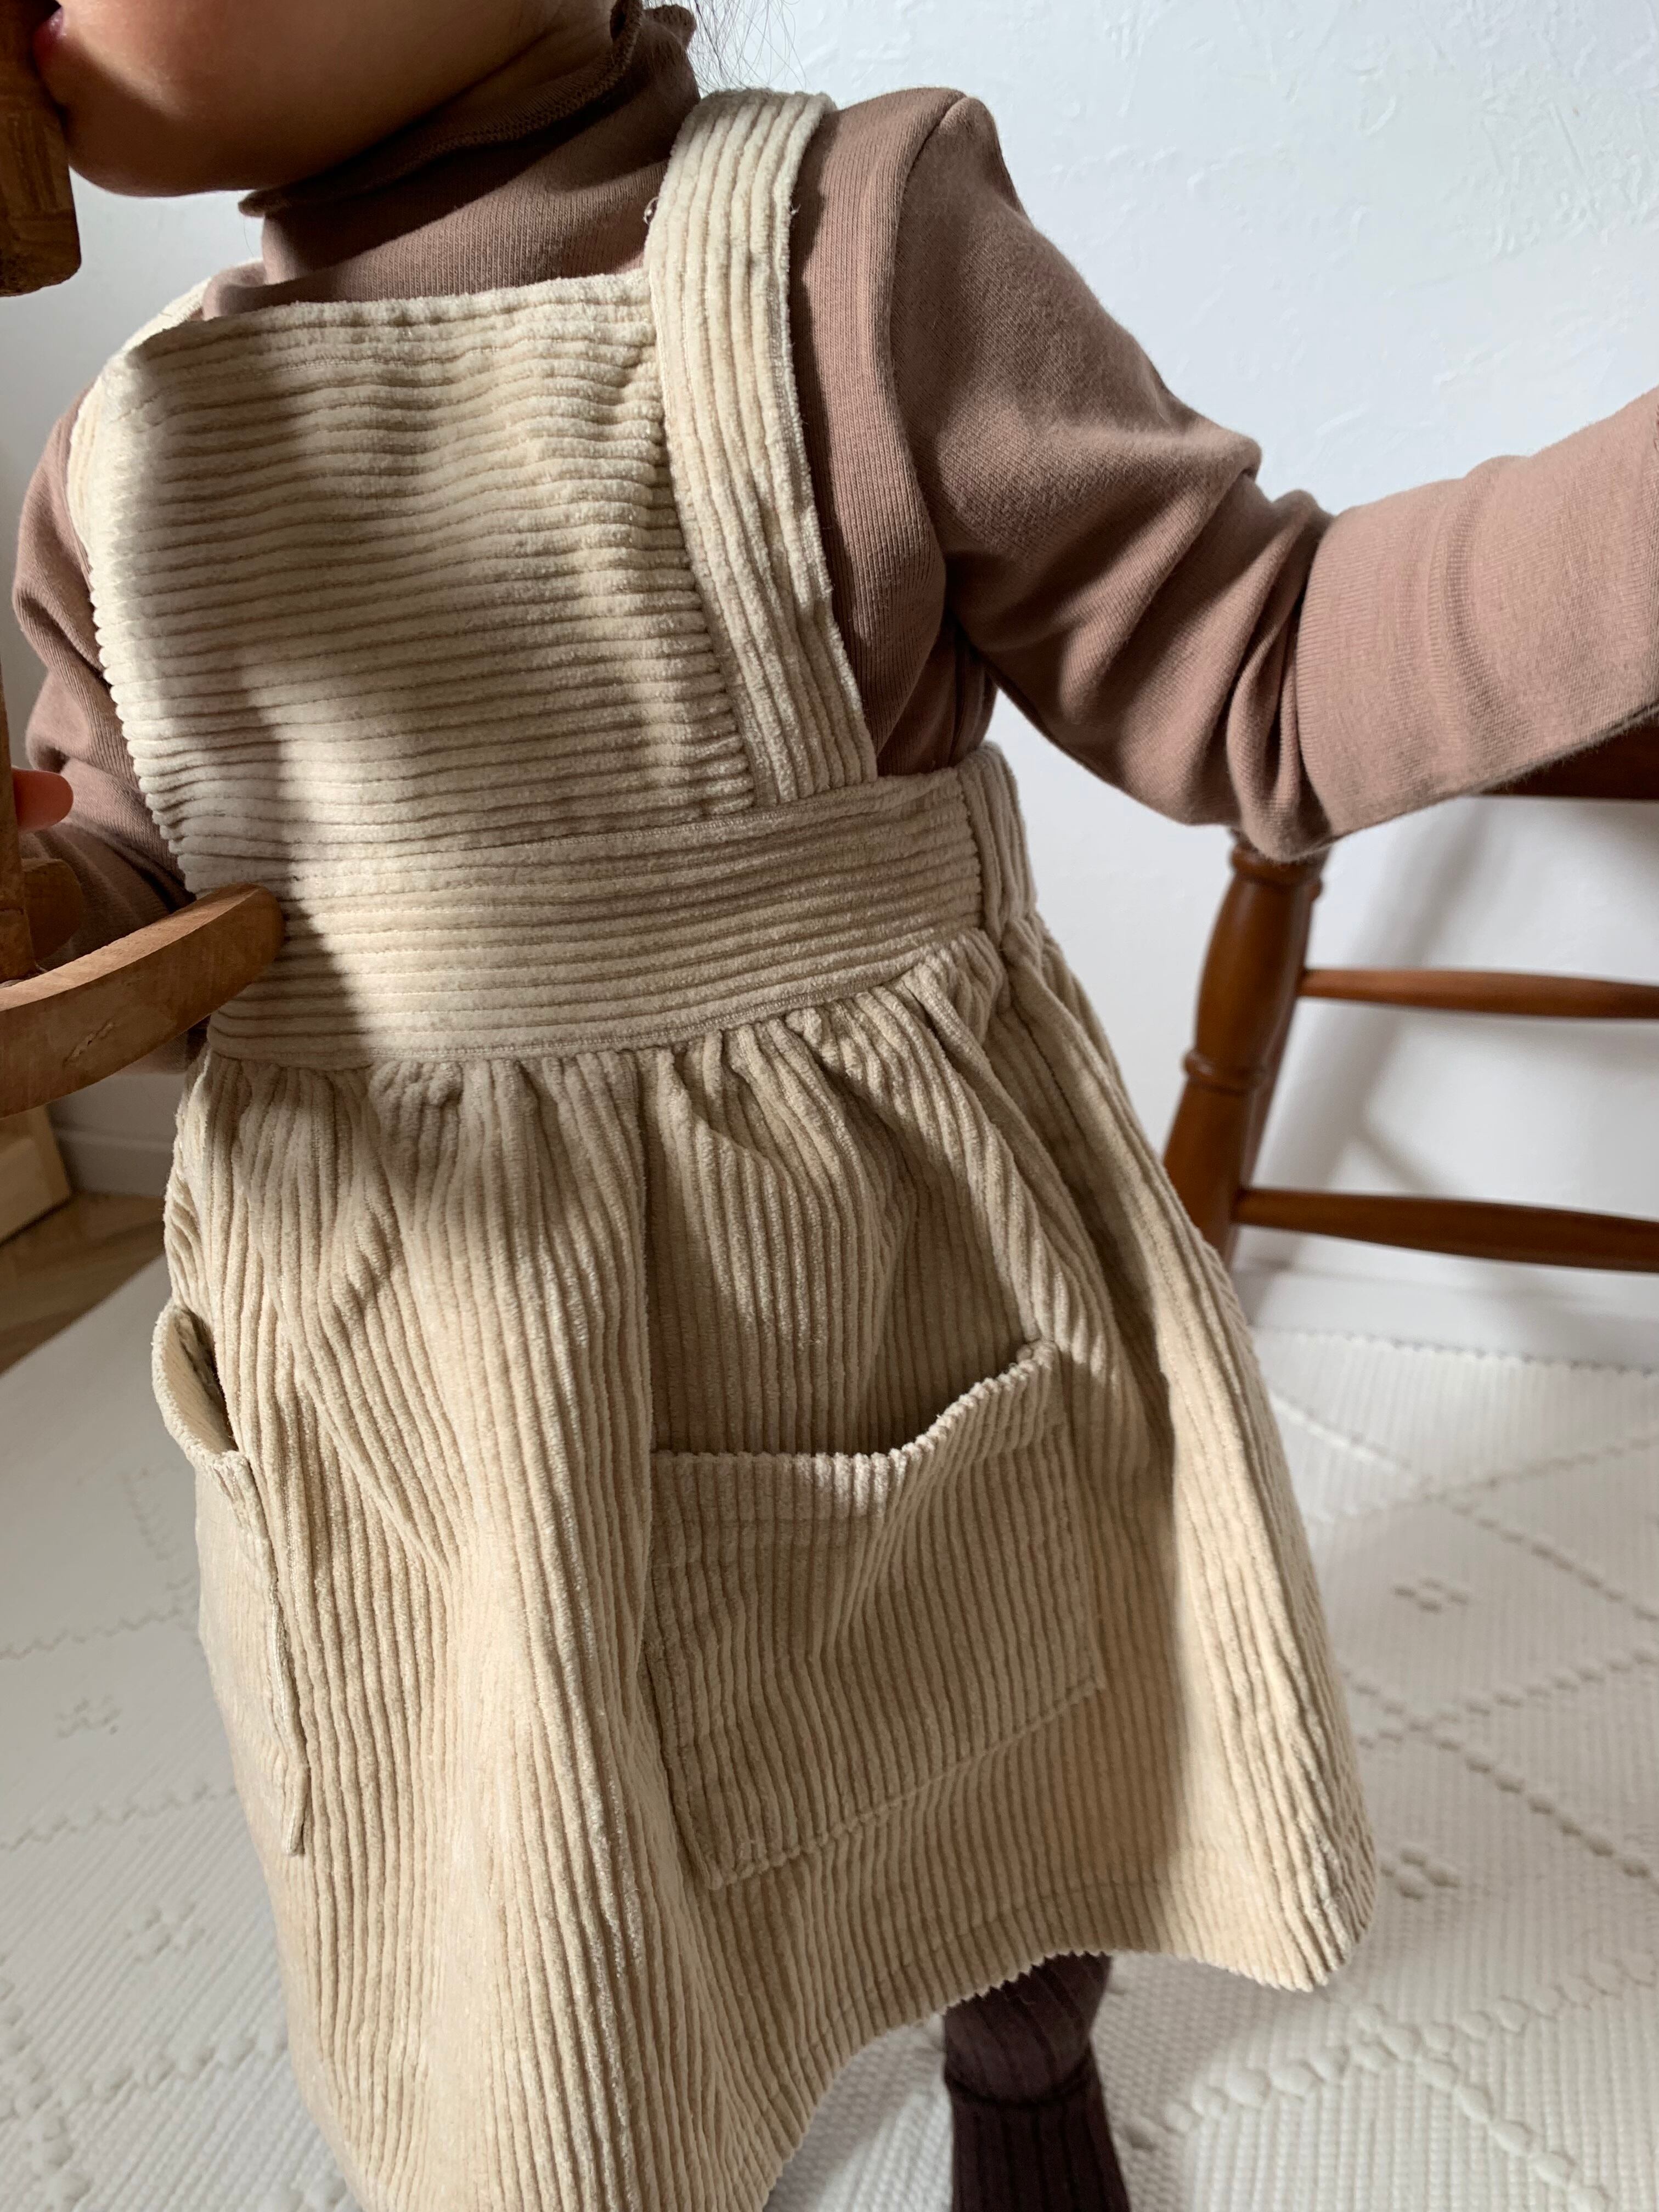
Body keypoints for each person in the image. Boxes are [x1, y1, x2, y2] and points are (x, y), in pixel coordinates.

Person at [11, 4, 1652, 2208]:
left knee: (979, 1699)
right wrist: (49, 906)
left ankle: (1024, 2056)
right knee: (499, 1814)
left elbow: (1258, 674)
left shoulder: (848, 257)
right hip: (407, 1342)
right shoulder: (125, 443)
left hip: (864, 1279)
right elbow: (149, 882)